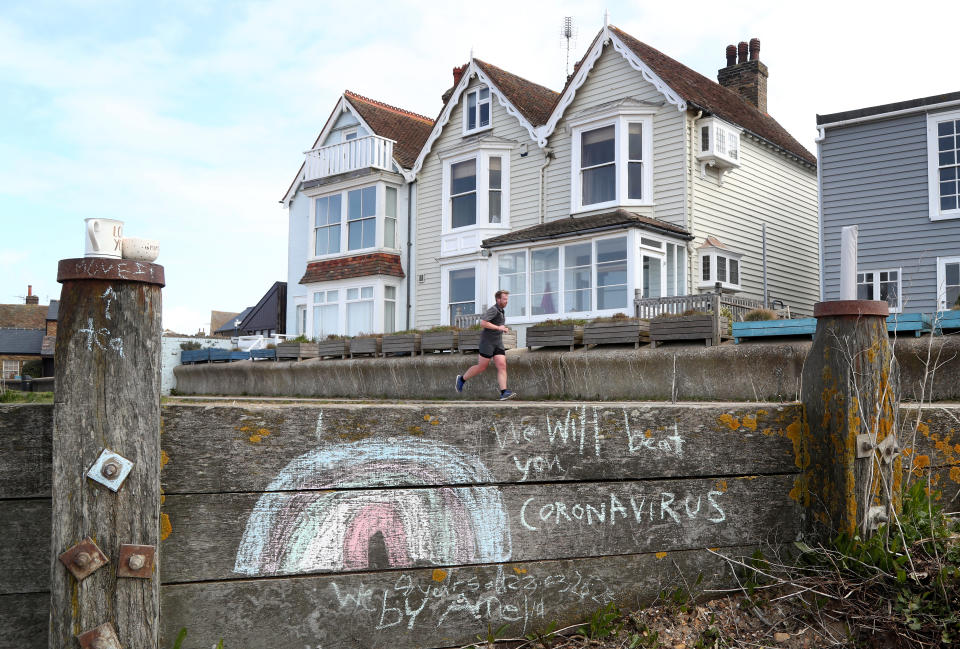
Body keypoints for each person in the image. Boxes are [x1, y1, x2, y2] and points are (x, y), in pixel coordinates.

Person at [456, 290, 516, 400]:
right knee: (481, 367)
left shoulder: (501, 310)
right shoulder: (493, 310)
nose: (507, 301)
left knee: (502, 365)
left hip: (497, 342)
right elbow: (483, 323)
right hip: (487, 343)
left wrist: (502, 328)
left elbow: (496, 324)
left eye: (507, 299)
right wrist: (499, 328)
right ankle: (462, 379)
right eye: (504, 299)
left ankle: (504, 392)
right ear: (498, 299)